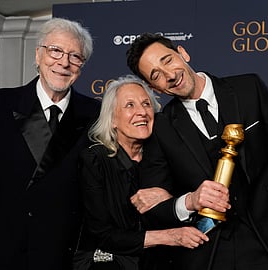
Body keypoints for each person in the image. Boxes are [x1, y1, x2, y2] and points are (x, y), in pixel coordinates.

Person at [126, 33, 268, 270]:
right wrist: (190, 201)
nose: (170, 75)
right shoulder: (162, 128)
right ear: (155, 88)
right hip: (208, 254)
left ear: (182, 53)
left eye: (167, 60)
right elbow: (155, 211)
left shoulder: (249, 89)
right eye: (156, 75)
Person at [0, 18, 101, 270]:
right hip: (8, 253)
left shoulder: (96, 113)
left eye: (74, 56)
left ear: (82, 65)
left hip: (69, 257)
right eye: (55, 50)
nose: (64, 62)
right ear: (38, 54)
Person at [73, 75, 209, 270]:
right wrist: (170, 237)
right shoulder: (94, 161)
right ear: (112, 120)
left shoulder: (168, 159)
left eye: (146, 104)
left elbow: (193, 210)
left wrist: (169, 198)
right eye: (129, 105)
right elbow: (101, 233)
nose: (141, 112)